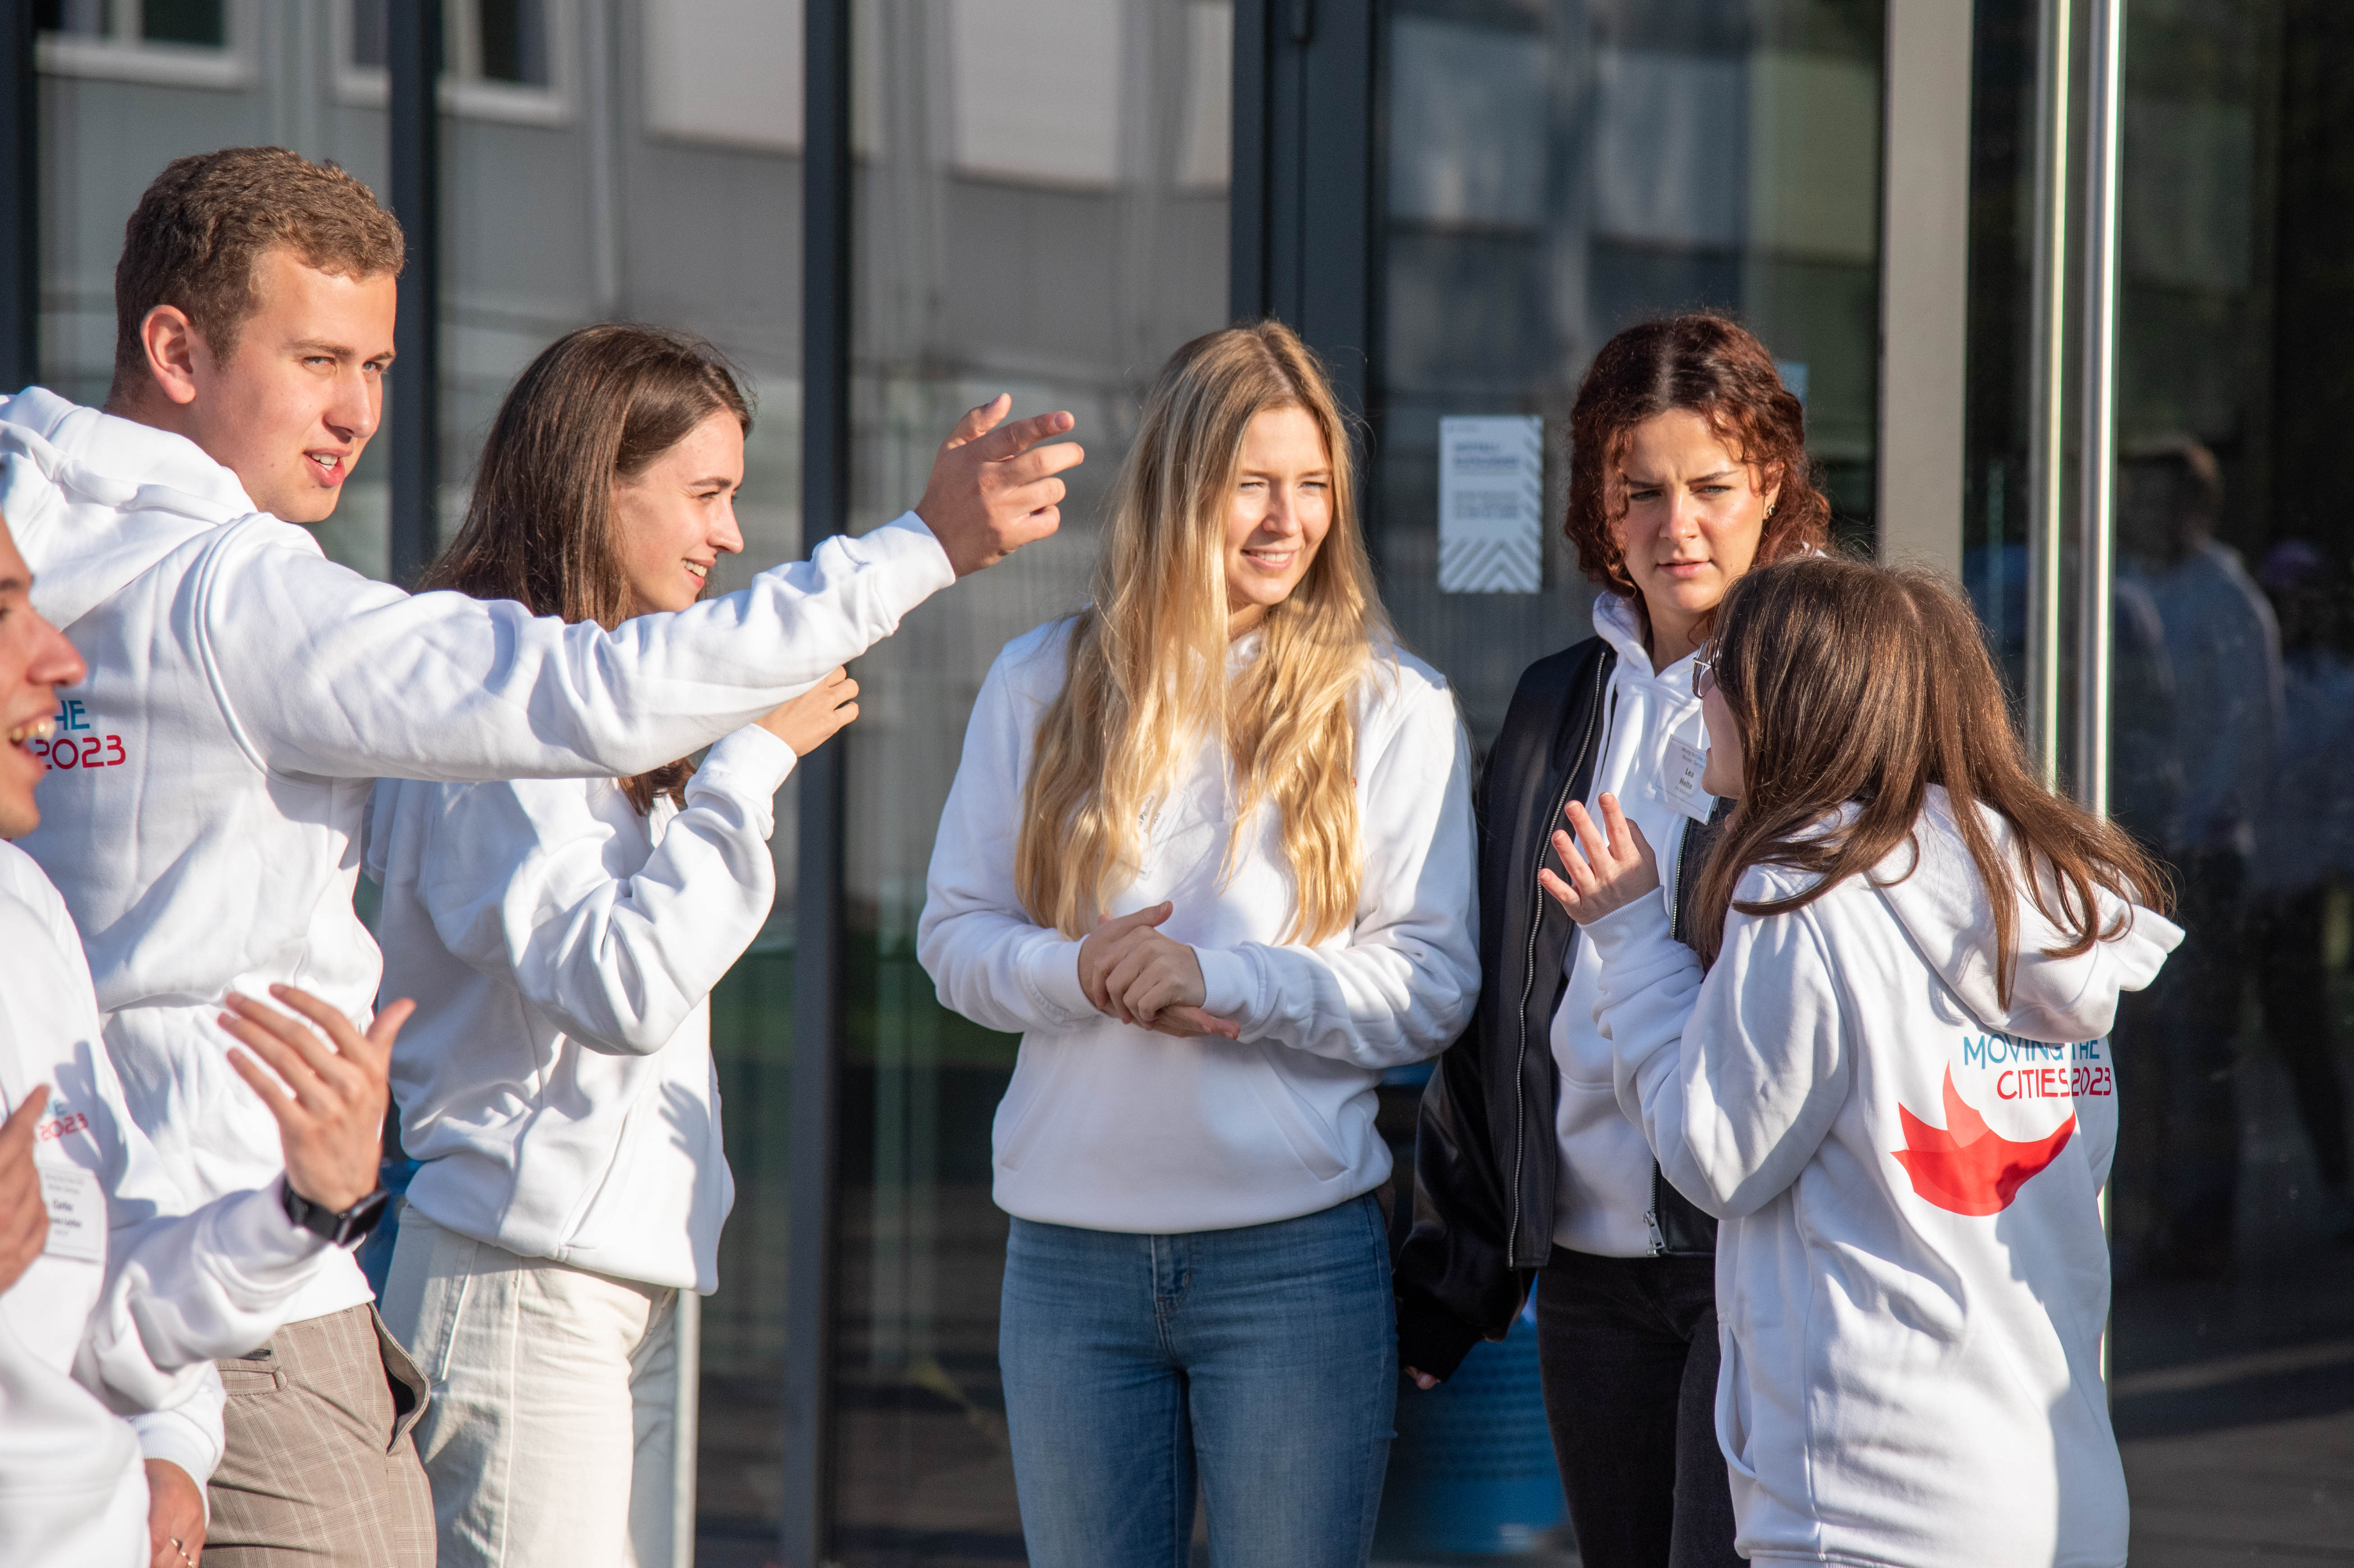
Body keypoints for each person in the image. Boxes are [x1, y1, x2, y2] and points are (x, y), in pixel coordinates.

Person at [0, 145, 1079, 1565]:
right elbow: (596, 719)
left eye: (378, 365)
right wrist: (917, 550)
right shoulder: (240, 592)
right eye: (319, 357)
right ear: (175, 347)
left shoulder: (38, 526)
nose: (355, 414)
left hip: (153, 1270)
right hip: (244, 1271)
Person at [918, 321, 1477, 1568]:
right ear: (1179, 487)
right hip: (1066, 1265)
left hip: (1292, 1263)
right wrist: (1078, 972)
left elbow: (1430, 988)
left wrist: (1224, 983)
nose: (1288, 518)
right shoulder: (1039, 680)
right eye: (1252, 483)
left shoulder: (1391, 703)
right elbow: (953, 939)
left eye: (1313, 484)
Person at [1544, 556, 2178, 1568]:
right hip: (2055, 1495)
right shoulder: (2045, 905)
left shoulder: (1806, 894)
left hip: (1867, 1504)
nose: (1700, 694)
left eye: (1722, 673)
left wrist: (1628, 939)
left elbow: (1714, 1155)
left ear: (1790, 703)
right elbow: (2067, 1172)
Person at [367, 325, 859, 1566]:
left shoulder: (592, 709)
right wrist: (750, 767)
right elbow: (618, 983)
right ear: (599, 485)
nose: (730, 536)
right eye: (704, 494)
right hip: (522, 1282)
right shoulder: (490, 702)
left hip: (602, 1279)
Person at [1392, 313, 1825, 1568]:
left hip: (1746, 1257)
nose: (1673, 523)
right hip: (1585, 1272)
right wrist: (1460, 1270)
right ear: (1599, 501)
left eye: (1710, 487)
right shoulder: (1549, 701)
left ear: (1770, 493)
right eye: (1640, 490)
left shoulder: (1815, 703)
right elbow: (1500, 1004)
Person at [0, 507, 403, 1566]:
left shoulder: (30, 915)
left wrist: (308, 1204)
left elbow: (106, 1297)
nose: (58, 655)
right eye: (5, 613)